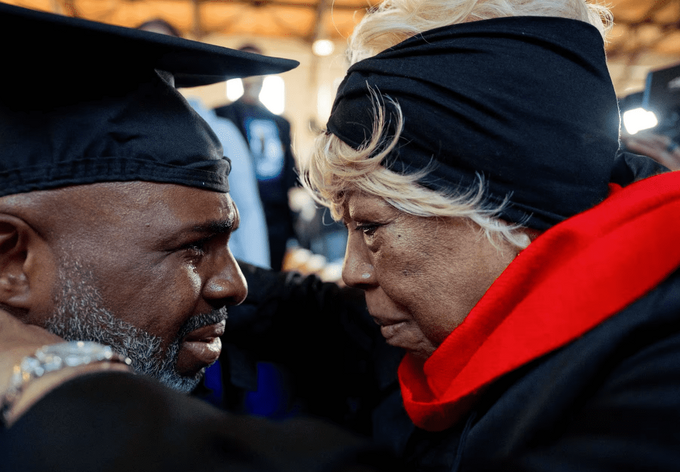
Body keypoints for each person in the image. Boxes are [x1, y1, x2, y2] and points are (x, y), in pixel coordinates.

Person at [214, 0, 680, 469]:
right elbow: (315, 313)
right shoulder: (447, 315)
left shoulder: (657, 374)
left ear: (500, 207)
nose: (353, 272)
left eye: (371, 226)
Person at [0, 1, 397, 470]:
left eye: (224, 240)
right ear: (8, 261)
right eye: (192, 248)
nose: (238, 286)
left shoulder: (240, 364)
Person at [138, 18, 272, 268]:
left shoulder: (218, 132)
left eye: (163, 50)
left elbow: (248, 210)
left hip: (211, 271)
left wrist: (256, 278)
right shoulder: (111, 135)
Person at [214, 45, 298, 271]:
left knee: (274, 273)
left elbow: (289, 169)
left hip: (276, 215)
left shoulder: (281, 122)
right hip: (238, 211)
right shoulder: (221, 115)